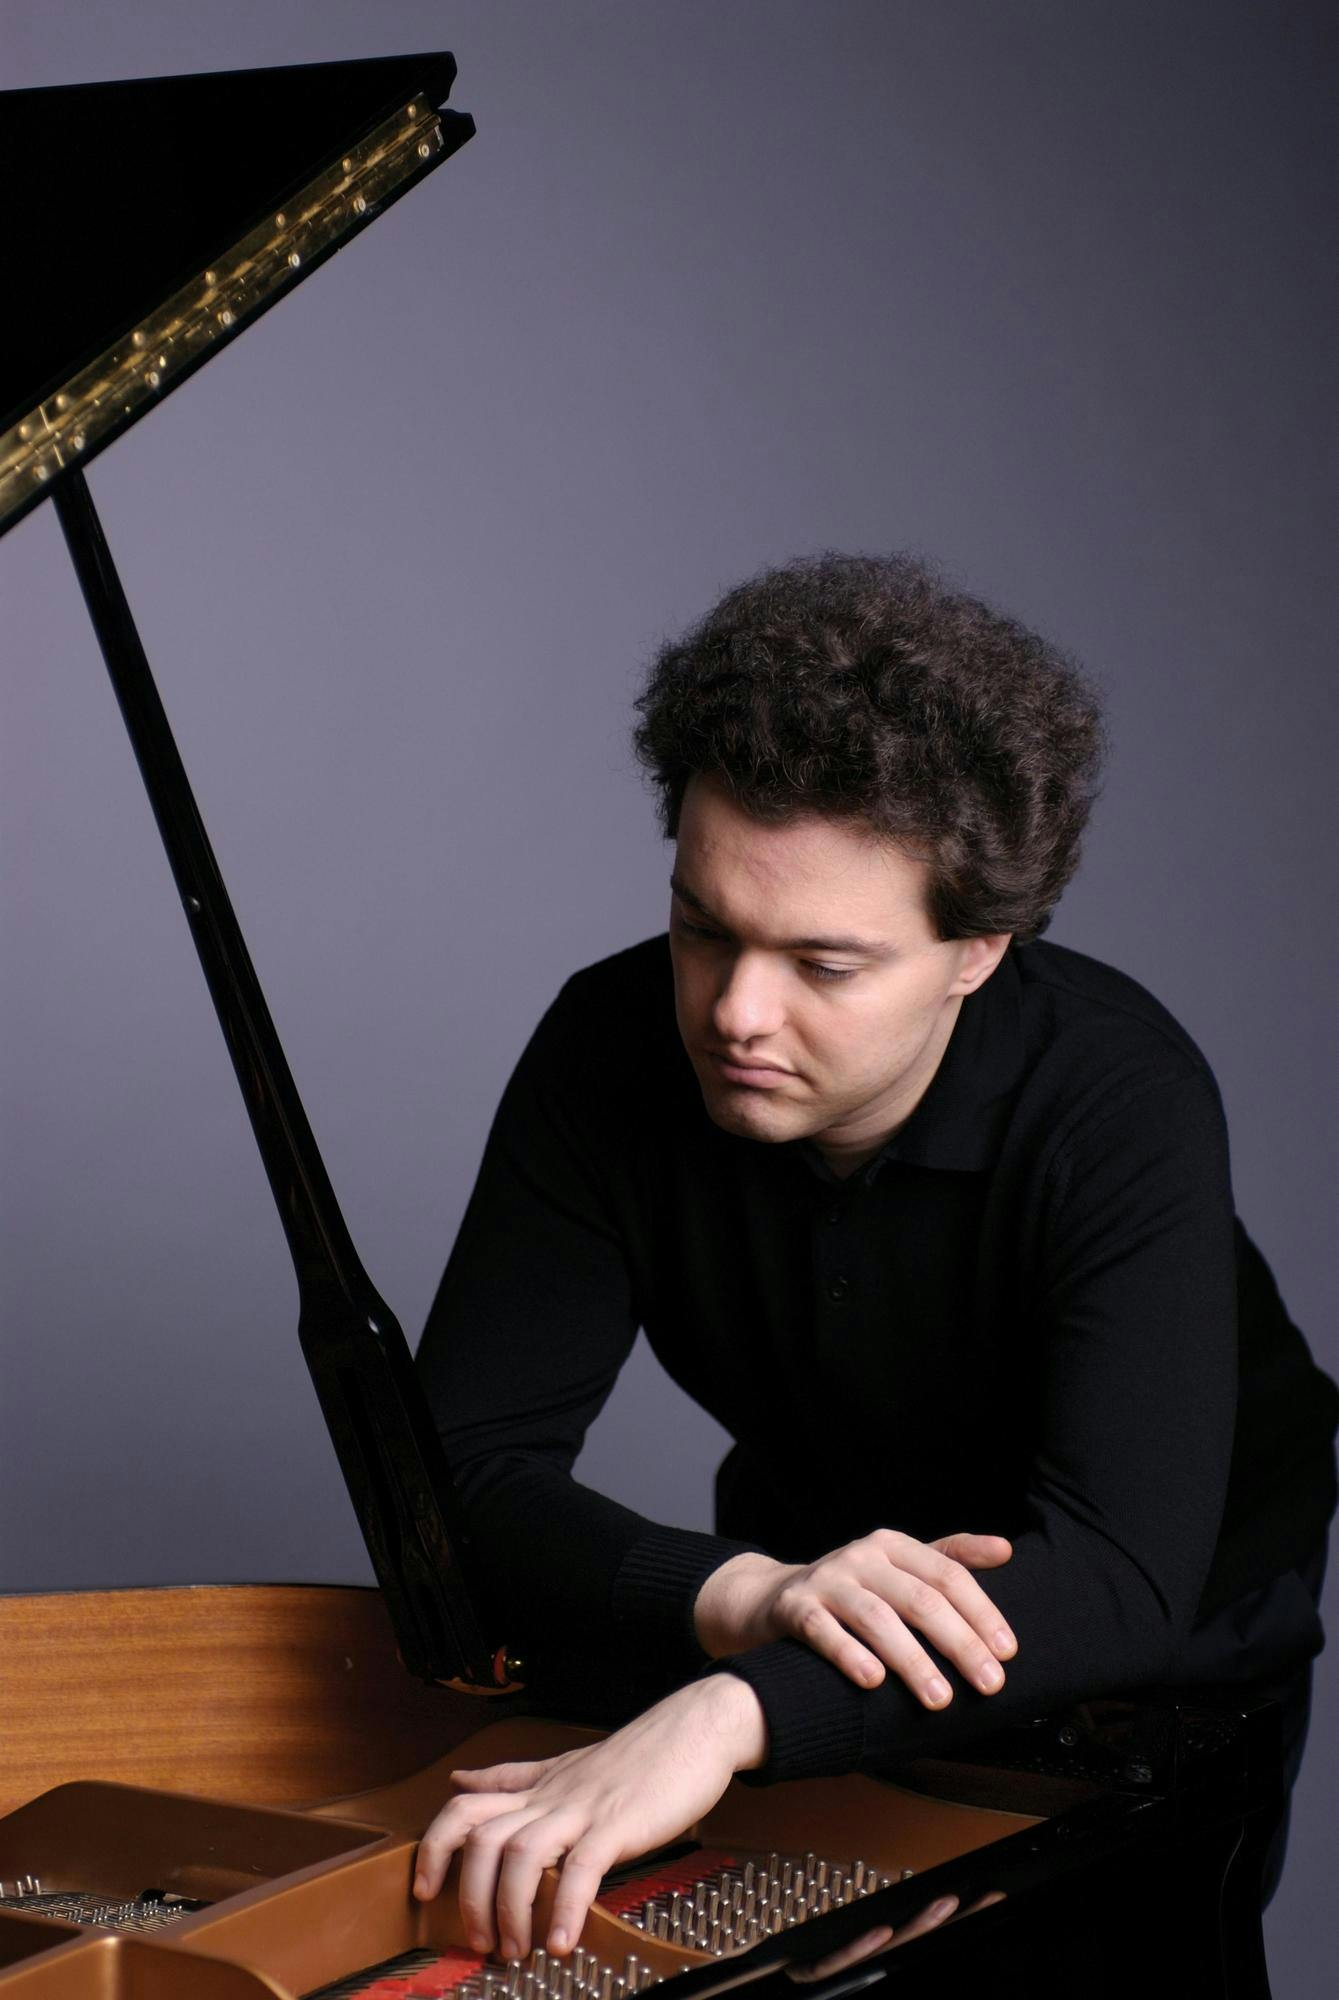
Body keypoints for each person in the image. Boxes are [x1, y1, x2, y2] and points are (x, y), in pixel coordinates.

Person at [412, 553, 1338, 1961]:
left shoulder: (1118, 1096)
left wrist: (736, 1707)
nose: (734, 1011)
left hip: (1149, 1667)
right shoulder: (607, 1047)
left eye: (823, 966)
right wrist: (747, 1599)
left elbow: (1119, 1577)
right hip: (806, 1605)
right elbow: (463, 1475)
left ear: (978, 952)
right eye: (702, 928)